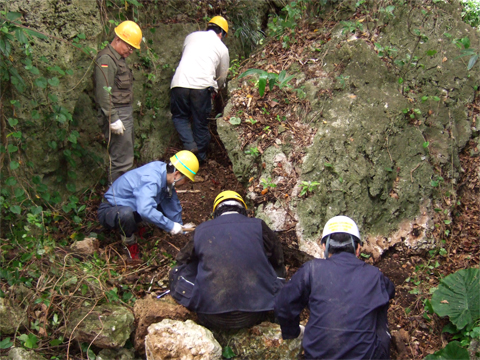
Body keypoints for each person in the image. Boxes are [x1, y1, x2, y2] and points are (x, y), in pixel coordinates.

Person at [274, 216, 395, 360]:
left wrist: (292, 332)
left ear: (324, 247)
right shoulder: (374, 275)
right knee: (380, 304)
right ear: (358, 248)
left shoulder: (311, 270)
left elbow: (283, 304)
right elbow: (390, 291)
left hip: (317, 357)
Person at [169, 190, 286, 330]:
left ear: (216, 212)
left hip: (210, 316)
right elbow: (278, 259)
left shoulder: (201, 230)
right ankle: (278, 312)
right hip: (254, 314)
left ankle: (193, 300)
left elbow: (181, 259)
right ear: (243, 210)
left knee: (186, 266)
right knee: (277, 268)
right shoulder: (258, 225)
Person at [97, 150, 199, 260]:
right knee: (125, 214)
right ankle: (129, 244)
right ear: (177, 174)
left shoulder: (164, 173)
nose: (185, 183)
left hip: (134, 206)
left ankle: (139, 226)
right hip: (111, 209)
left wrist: (181, 227)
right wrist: (171, 226)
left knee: (159, 201)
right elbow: (145, 209)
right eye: (186, 180)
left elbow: (171, 202)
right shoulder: (152, 179)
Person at [170, 16, 230, 163]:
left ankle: (190, 145)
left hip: (179, 83)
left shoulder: (191, 37)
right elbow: (222, 76)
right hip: (202, 87)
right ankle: (200, 159)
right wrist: (219, 88)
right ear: (222, 33)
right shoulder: (222, 48)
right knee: (200, 122)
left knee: (180, 117)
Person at [94, 20, 142, 184]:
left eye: (132, 49)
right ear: (118, 39)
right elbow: (103, 91)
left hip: (123, 113)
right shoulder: (106, 59)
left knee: (126, 157)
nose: (130, 51)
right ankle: (116, 202)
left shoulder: (118, 59)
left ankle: (121, 198)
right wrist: (113, 118)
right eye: (129, 46)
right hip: (116, 114)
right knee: (121, 161)